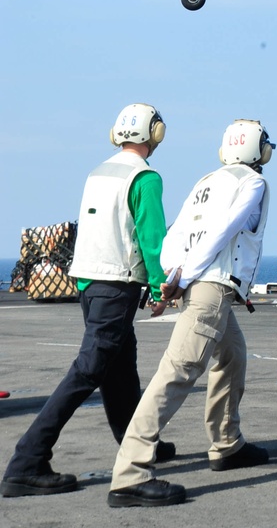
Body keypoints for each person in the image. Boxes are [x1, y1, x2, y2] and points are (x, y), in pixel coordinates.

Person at [2, 103, 173, 499]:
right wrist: (163, 286)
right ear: (155, 134)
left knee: (119, 367)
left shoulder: (98, 172)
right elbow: (152, 239)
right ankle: (27, 460)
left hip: (88, 282)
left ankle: (138, 443)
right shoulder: (145, 178)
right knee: (89, 370)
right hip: (117, 284)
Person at [107, 118, 275, 510]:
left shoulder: (206, 181)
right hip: (211, 289)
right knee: (177, 373)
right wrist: (185, 277)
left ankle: (227, 444)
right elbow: (223, 230)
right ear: (257, 150)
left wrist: (174, 274)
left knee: (233, 356)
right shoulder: (252, 183)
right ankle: (130, 473)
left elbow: (175, 235)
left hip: (200, 286)